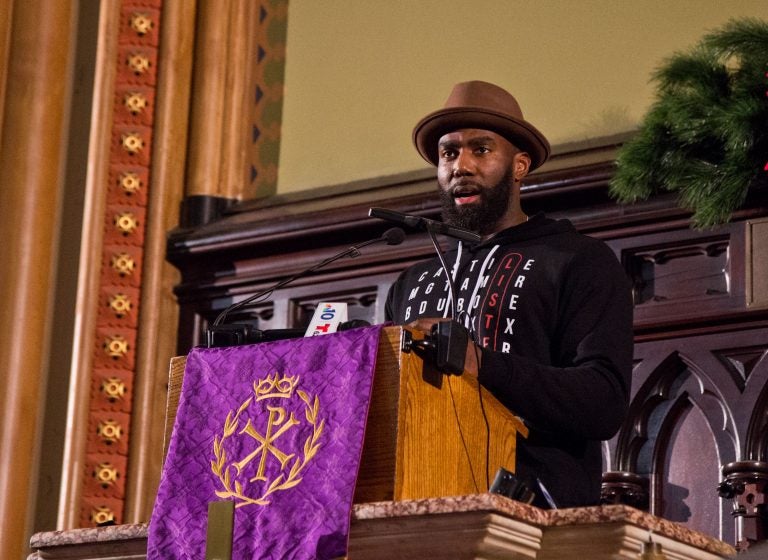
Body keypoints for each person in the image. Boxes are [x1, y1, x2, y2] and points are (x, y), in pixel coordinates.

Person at [385, 80, 634, 508]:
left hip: (535, 518)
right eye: (449, 153)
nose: (460, 166)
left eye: (480, 149)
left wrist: (480, 364)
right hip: (416, 507)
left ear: (519, 166)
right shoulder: (410, 284)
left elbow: (603, 401)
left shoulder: (577, 260)